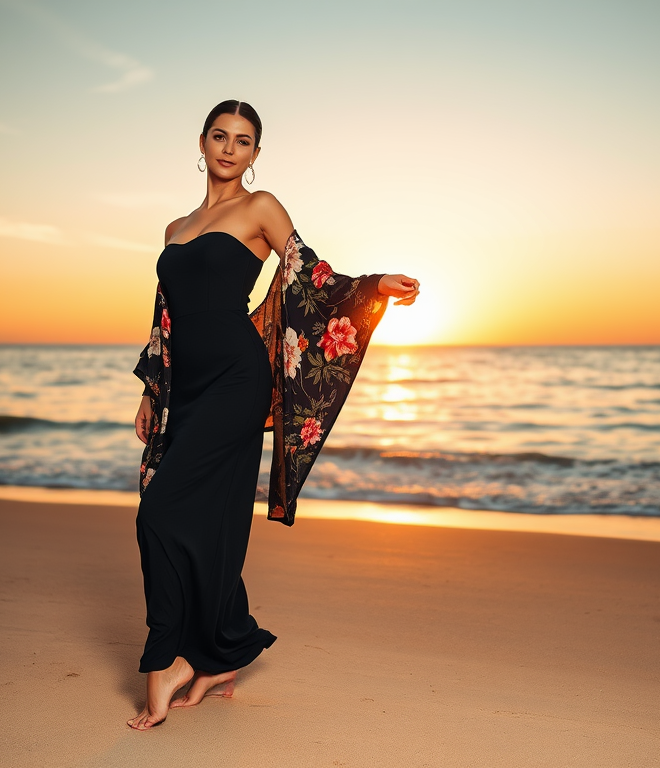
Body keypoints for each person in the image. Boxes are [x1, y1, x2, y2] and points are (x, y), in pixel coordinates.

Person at [126, 100, 419, 730]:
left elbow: (309, 276)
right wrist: (154, 389)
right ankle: (221, 654)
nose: (230, 148)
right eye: (220, 136)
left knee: (160, 512)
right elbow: (166, 319)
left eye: (244, 141)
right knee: (211, 517)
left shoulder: (260, 208)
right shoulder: (175, 227)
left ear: (256, 155)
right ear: (201, 143)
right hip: (188, 387)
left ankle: (168, 661)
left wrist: (372, 285)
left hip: (238, 379)